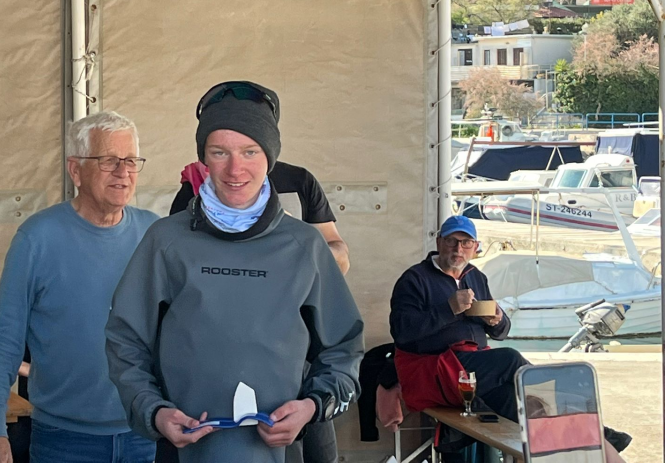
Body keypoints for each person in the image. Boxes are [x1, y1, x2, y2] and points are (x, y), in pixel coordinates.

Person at [105, 81, 364, 463]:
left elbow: (344, 349)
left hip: (286, 451)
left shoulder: (304, 245)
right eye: (219, 152)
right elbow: (125, 340)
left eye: (250, 151)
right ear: (203, 160)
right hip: (185, 453)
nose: (235, 168)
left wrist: (312, 406)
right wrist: (154, 411)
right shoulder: (166, 241)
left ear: (270, 158)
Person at [0, 111, 159, 463]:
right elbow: (3, 338)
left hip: (144, 435)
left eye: (131, 161)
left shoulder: (155, 235)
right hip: (62, 440)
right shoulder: (37, 238)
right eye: (109, 161)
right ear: (76, 170)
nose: (123, 172)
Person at [389, 215, 631, 461]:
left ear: (475, 247)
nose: (458, 249)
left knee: (529, 406)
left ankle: (597, 439)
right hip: (434, 370)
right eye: (452, 241)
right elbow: (402, 333)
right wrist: (448, 308)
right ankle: (588, 421)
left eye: (466, 243)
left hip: (477, 373)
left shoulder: (475, 276)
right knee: (511, 359)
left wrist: (497, 320)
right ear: (439, 242)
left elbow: (501, 333)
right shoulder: (415, 279)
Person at [169, 160, 350, 275]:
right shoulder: (197, 188)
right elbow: (174, 258)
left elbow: (336, 247)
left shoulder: (299, 180)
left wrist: (310, 252)